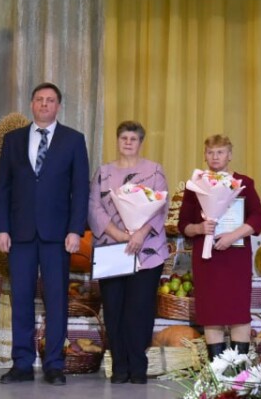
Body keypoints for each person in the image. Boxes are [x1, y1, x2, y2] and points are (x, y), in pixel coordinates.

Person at [0, 82, 90, 386]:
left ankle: (54, 364)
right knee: (21, 297)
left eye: (50, 100)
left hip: (58, 236)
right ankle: (21, 363)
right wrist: (1, 228)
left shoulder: (74, 140)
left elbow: (81, 189)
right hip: (20, 234)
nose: (44, 105)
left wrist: (76, 229)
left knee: (56, 300)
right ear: (32, 104)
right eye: (39, 100)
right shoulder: (13, 140)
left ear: (58, 106)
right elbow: (3, 188)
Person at [88, 121, 169, 384]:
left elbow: (159, 206)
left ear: (140, 142)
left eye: (133, 138)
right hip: (113, 249)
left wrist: (140, 234)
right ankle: (119, 367)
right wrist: (119, 234)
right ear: (117, 140)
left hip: (147, 252)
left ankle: (138, 366)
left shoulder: (154, 170)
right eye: (123, 137)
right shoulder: (103, 172)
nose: (128, 142)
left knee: (140, 310)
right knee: (113, 310)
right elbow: (94, 208)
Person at [178, 134, 261, 360]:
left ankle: (239, 373)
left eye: (220, 152)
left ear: (229, 155)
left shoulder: (244, 182)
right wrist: (199, 228)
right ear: (204, 155)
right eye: (210, 152)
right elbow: (183, 224)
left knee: (238, 313)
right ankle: (217, 373)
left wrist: (234, 235)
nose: (215, 157)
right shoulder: (195, 185)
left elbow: (258, 217)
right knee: (212, 314)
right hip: (207, 259)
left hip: (235, 257)